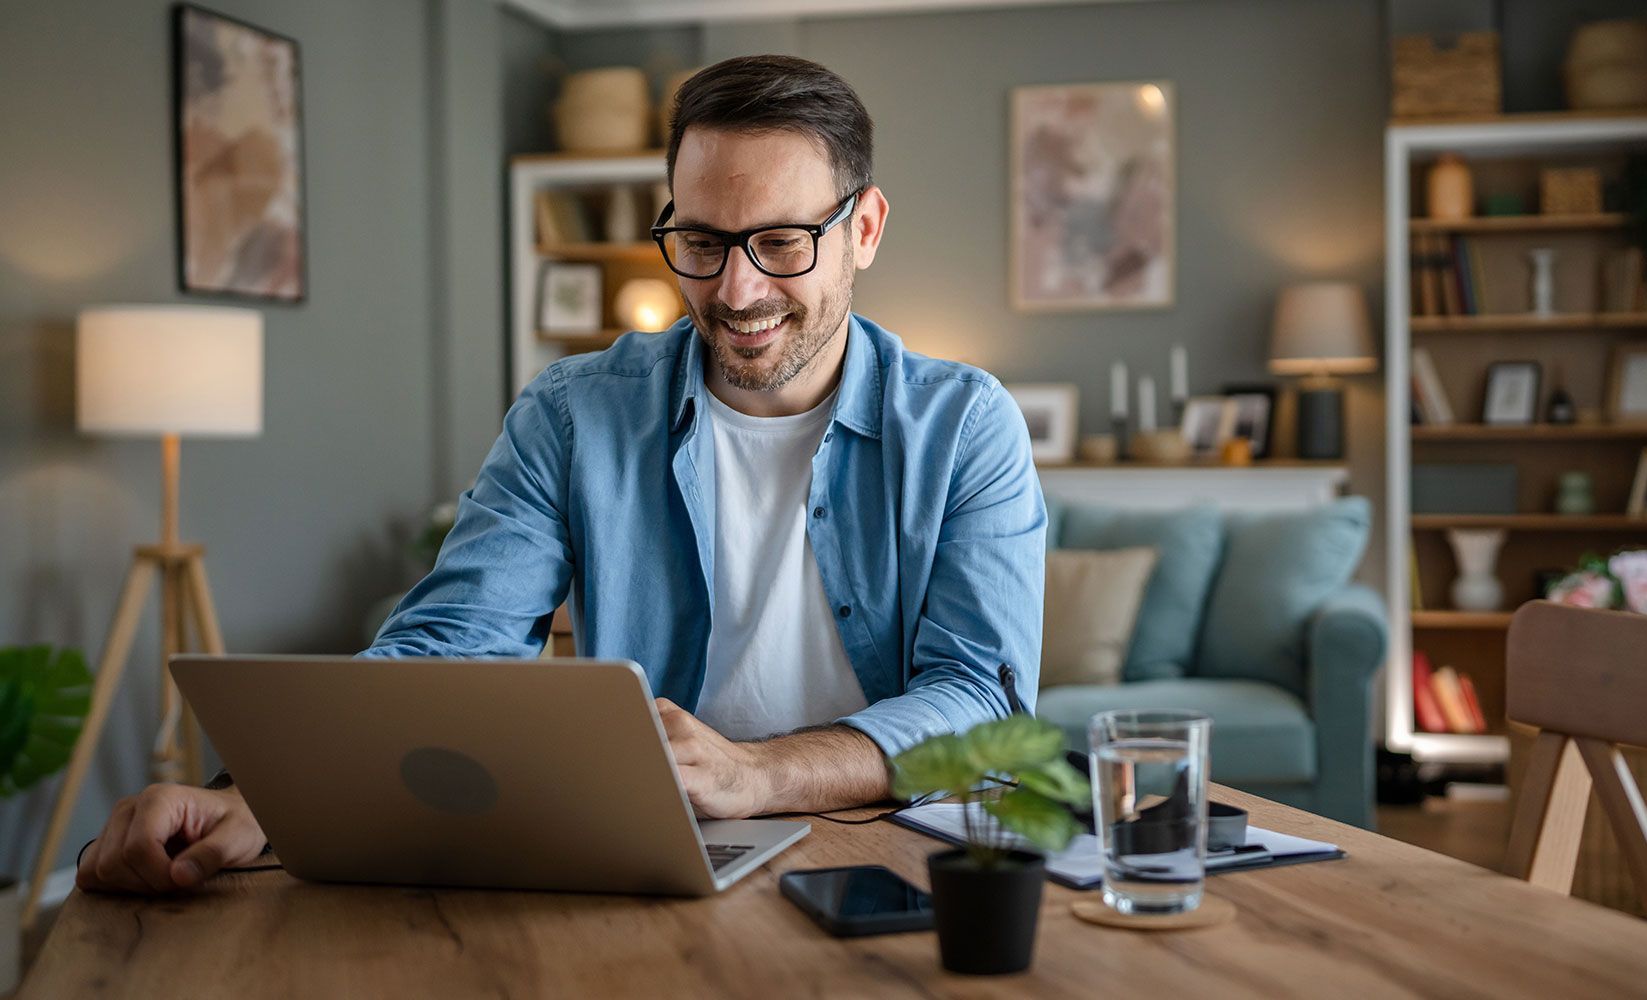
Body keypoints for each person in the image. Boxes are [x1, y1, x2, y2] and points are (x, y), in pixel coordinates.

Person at [76, 54, 1045, 895]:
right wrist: (255, 799)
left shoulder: (965, 427)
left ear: (865, 229)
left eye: (782, 243)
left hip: (901, 867)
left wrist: (758, 773)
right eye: (700, 243)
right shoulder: (575, 413)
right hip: (653, 864)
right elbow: (452, 643)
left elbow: (982, 698)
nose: (735, 291)